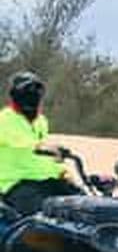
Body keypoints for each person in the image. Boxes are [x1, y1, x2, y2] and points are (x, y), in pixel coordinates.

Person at [0, 71, 82, 214]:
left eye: (37, 91)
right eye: (29, 90)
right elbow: (24, 143)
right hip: (18, 184)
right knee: (50, 220)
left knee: (86, 207)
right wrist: (44, 147)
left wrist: (62, 172)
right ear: (16, 94)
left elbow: (45, 157)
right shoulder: (5, 119)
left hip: (48, 181)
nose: (34, 95)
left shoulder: (41, 121)